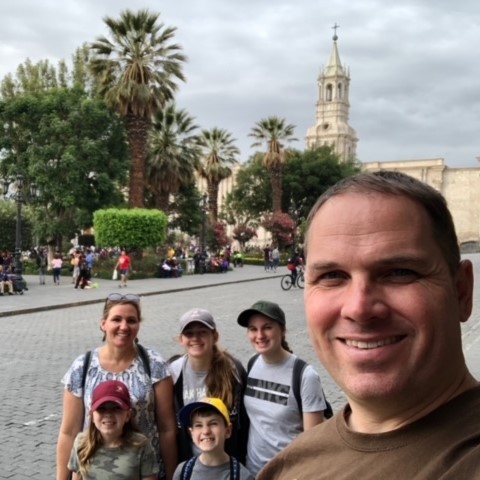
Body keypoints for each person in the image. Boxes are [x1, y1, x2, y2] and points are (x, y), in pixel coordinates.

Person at [257, 170, 480, 479]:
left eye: (400, 272)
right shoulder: (287, 467)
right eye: (332, 276)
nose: (359, 308)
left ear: (461, 292)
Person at [57, 293, 178, 480]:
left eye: (131, 320)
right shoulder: (83, 366)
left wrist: (171, 476)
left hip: (145, 471)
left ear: (138, 325)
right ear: (103, 324)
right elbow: (69, 432)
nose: (124, 326)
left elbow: (167, 429)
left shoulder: (154, 364)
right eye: (116, 319)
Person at [237, 300, 327, 476]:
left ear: (283, 330)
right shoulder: (253, 363)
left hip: (287, 472)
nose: (260, 335)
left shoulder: (304, 375)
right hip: (252, 471)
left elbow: (312, 443)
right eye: (253, 329)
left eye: (267, 327)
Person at [169, 308, 249, 464]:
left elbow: (244, 423)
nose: (195, 338)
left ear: (215, 336)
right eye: (189, 333)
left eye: (202, 332)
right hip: (191, 464)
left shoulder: (234, 370)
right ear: (181, 339)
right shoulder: (174, 372)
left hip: (227, 463)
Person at [68, 380, 158, 480]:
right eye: (101, 408)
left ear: (128, 415)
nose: (108, 414)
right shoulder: (81, 443)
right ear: (92, 415)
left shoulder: (141, 445)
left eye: (116, 408)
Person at [173, 397, 255, 480]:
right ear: (191, 433)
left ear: (228, 431)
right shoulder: (182, 472)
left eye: (213, 423)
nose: (205, 431)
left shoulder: (243, 476)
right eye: (198, 425)